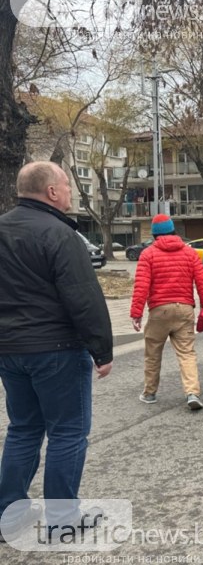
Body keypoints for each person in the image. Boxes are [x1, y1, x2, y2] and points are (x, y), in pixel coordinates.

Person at [0, 161, 113, 539]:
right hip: (57, 348)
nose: (69, 191)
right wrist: (102, 349)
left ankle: (8, 516)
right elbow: (83, 297)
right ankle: (63, 519)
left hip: (9, 350)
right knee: (67, 433)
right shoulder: (60, 234)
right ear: (51, 192)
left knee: (23, 429)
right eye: (66, 185)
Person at [130, 214, 203, 410]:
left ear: (155, 235)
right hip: (185, 309)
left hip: (159, 310)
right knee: (187, 353)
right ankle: (192, 392)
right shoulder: (189, 253)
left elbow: (141, 286)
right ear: (174, 231)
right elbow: (202, 283)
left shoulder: (148, 254)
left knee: (153, 353)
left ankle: (150, 393)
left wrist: (136, 313)